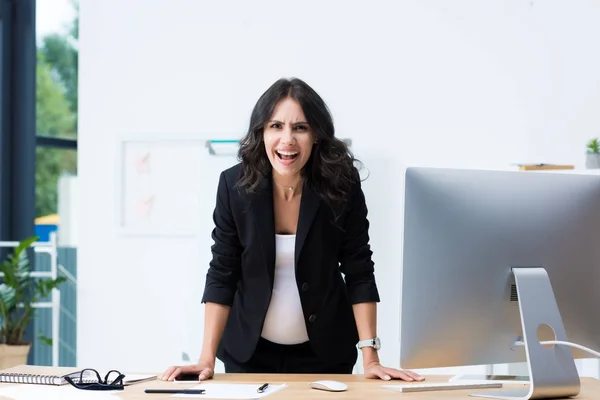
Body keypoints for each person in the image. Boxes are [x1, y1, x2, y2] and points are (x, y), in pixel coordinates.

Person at [161, 78, 423, 382]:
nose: (287, 139)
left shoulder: (342, 186)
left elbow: (359, 269)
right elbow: (223, 271)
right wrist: (205, 358)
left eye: (300, 127)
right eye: (276, 126)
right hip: (249, 354)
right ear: (261, 132)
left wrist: (371, 358)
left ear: (317, 135)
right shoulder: (234, 187)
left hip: (325, 354)